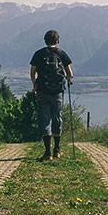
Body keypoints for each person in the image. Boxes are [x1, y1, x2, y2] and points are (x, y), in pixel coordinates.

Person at [29, 30, 73, 160]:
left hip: (43, 91)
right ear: (57, 41)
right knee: (57, 118)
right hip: (58, 92)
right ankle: (57, 150)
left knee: (45, 119)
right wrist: (68, 79)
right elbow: (69, 73)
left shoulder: (38, 54)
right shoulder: (61, 54)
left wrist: (34, 84)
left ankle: (48, 152)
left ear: (45, 41)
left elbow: (32, 72)